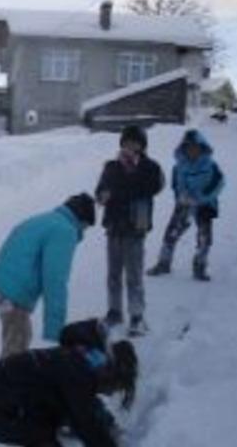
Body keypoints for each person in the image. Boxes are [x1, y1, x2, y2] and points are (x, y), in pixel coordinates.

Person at [0, 193, 96, 359]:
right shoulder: (65, 231)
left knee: (19, 334)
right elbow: (55, 279)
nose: (85, 231)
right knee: (17, 342)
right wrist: (56, 328)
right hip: (12, 289)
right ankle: (5, 381)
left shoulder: (50, 219)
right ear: (82, 219)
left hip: (1, 283)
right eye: (87, 226)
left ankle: (7, 377)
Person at [0, 338, 138, 447]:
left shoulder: (84, 361)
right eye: (116, 387)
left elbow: (88, 407)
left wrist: (107, 427)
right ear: (112, 372)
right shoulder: (78, 374)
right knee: (43, 434)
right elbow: (86, 423)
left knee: (64, 411)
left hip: (14, 391)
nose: (110, 393)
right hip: (1, 406)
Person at [95, 126, 164, 336]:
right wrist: (102, 195)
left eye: (135, 142)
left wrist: (132, 173)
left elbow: (155, 187)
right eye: (126, 142)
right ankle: (114, 312)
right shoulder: (112, 166)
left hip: (136, 228)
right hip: (114, 227)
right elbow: (100, 190)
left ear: (142, 146)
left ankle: (137, 315)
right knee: (113, 275)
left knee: (133, 275)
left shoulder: (150, 167)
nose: (130, 146)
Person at [147, 129, 225, 281]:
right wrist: (181, 196)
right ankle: (164, 262)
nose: (192, 151)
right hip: (185, 203)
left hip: (205, 205)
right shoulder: (179, 166)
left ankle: (200, 266)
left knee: (204, 237)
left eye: (195, 147)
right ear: (183, 149)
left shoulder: (210, 166)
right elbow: (176, 184)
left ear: (202, 148)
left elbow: (219, 184)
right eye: (188, 148)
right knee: (171, 232)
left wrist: (202, 198)